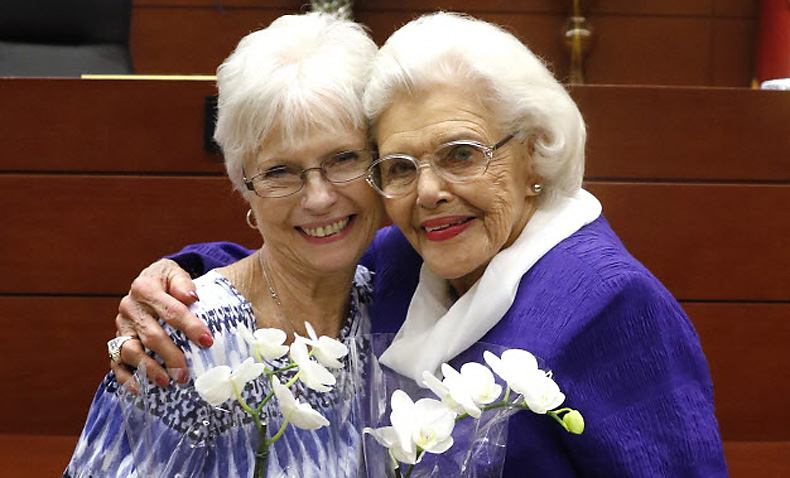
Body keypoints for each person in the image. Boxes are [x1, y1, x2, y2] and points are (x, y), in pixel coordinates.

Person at [110, 12, 728, 477]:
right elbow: (304, 264)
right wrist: (178, 277)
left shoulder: (612, 304)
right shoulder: (413, 261)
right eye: (401, 167)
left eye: (461, 155)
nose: (429, 192)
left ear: (536, 150)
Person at [65, 12, 382, 478]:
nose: (318, 198)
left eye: (344, 159)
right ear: (243, 186)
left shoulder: (394, 305)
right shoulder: (190, 340)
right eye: (280, 172)